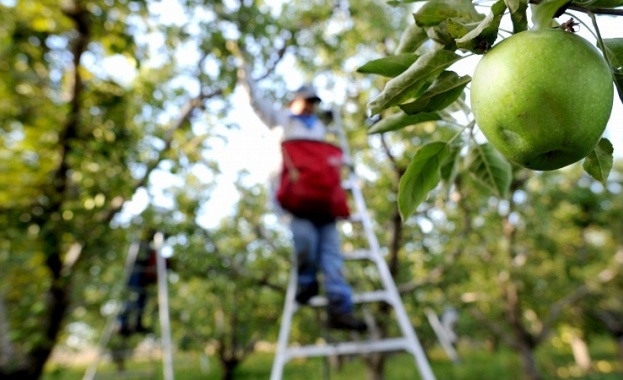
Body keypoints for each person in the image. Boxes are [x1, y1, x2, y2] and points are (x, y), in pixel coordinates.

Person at [239, 66, 367, 332]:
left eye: (313, 103)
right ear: (294, 101)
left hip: (322, 199)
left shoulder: (319, 127)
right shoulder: (281, 121)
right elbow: (256, 103)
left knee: (332, 253)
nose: (310, 107)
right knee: (306, 241)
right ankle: (307, 282)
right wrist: (246, 75)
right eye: (306, 102)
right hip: (294, 197)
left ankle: (340, 309)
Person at [117, 232, 160, 337]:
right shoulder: (139, 251)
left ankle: (136, 324)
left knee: (139, 303)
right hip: (136, 280)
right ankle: (123, 324)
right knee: (129, 302)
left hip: (142, 281)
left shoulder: (150, 253)